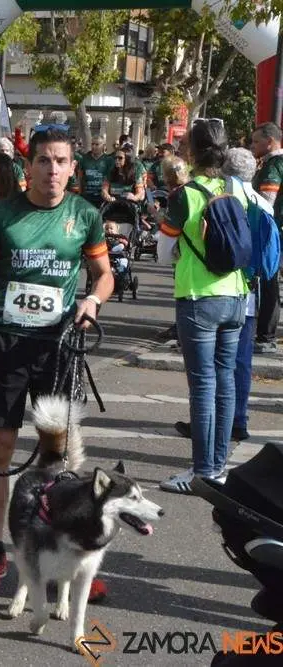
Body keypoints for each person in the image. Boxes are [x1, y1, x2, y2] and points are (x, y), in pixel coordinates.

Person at [0, 127, 114, 596]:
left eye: (61, 161)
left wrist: (93, 301)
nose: (52, 170)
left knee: (59, 457)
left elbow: (103, 275)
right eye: (43, 160)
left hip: (58, 349)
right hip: (5, 346)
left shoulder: (84, 215)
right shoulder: (2, 215)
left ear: (72, 168)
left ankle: (67, 553)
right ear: (29, 167)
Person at [157, 119, 249, 493]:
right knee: (225, 381)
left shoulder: (186, 195)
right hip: (236, 295)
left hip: (198, 297)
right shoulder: (236, 189)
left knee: (203, 385)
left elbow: (163, 255)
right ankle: (219, 465)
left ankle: (201, 472)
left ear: (191, 153)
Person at [174, 147, 269, 443]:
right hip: (245, 289)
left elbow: (170, 250)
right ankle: (233, 426)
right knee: (233, 368)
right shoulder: (259, 202)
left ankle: (206, 452)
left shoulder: (215, 196)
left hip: (204, 291)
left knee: (205, 379)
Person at [250, 121, 283, 354]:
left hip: (273, 231)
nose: (253, 146)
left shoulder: (273, 165)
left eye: (256, 141)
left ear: (270, 142)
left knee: (269, 282)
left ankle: (266, 336)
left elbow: (266, 202)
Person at [77, 135, 113, 207]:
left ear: (103, 146)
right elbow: (80, 178)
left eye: (97, 144)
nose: (94, 146)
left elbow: (110, 179)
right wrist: (79, 193)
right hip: (87, 196)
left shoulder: (109, 160)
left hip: (102, 197)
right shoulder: (84, 158)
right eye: (92, 144)